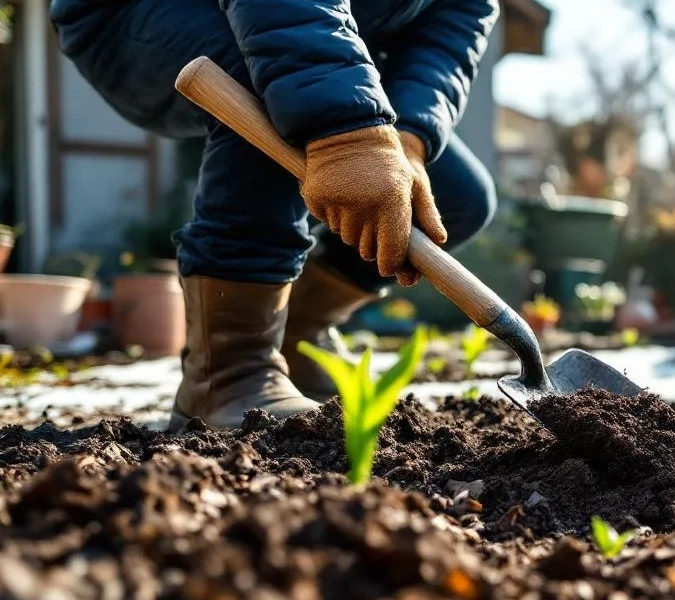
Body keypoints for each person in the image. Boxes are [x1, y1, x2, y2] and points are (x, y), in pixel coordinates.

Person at [51, 0, 500, 430]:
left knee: (459, 197)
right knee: (280, 91)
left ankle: (294, 337)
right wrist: (344, 136)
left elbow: (449, 35)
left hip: (323, 43)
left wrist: (409, 142)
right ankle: (227, 373)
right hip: (131, 15)